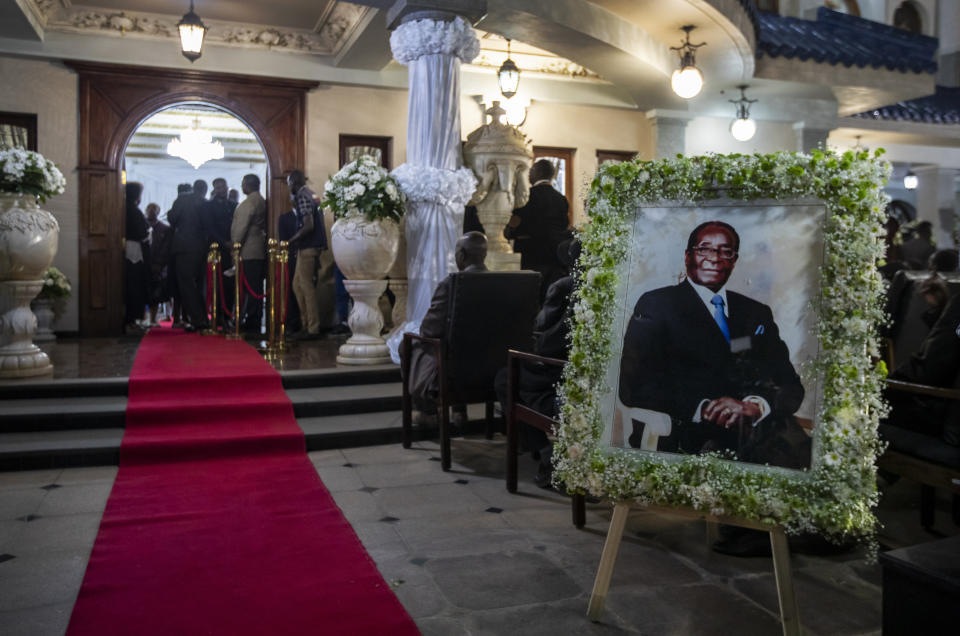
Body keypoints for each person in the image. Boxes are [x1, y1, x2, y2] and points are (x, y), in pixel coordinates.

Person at [617, 220, 806, 465]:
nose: (715, 258)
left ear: (734, 260)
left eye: (725, 251)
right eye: (704, 249)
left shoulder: (755, 313)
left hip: (760, 431)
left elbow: (790, 386)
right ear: (687, 256)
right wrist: (704, 408)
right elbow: (633, 385)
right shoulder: (658, 304)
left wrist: (757, 406)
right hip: (688, 433)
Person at [495, 239, 580, 487]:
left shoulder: (565, 288)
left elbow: (547, 343)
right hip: (576, 372)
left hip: (560, 374)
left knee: (507, 379)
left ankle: (546, 454)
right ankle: (542, 451)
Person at [404, 232, 488, 422]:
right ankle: (458, 410)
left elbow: (429, 330)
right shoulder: (501, 283)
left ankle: (428, 409)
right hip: (490, 371)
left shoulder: (451, 284)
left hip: (453, 371)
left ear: (461, 256)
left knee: (408, 345)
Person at [504, 159, 571, 303]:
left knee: (531, 298)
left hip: (531, 255)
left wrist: (509, 232)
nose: (529, 175)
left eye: (531, 171)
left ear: (537, 172)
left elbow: (516, 224)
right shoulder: (561, 199)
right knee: (550, 297)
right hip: (555, 256)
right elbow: (564, 225)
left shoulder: (527, 197)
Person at [286, 169, 328, 340]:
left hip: (308, 247)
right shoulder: (311, 194)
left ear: (294, 182)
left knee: (306, 287)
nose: (288, 186)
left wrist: (291, 240)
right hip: (308, 247)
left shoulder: (303, 196)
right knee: (297, 285)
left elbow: (308, 225)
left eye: (289, 182)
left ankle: (312, 328)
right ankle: (306, 324)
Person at [168, 181, 208, 332]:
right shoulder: (206, 202)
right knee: (200, 286)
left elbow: (172, 218)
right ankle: (203, 318)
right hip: (201, 249)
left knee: (186, 285)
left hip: (184, 248)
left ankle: (198, 320)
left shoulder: (183, 199)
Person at [231, 174, 267, 334]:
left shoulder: (250, 202)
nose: (241, 186)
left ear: (248, 185)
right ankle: (253, 318)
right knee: (254, 287)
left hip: (249, 250)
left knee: (251, 288)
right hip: (257, 249)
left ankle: (252, 320)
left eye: (243, 184)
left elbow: (241, 227)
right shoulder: (261, 200)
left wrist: (235, 245)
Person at [202, 178, 237, 325]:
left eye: (223, 187)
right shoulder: (208, 206)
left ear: (227, 188)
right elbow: (210, 227)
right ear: (214, 189)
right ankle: (216, 316)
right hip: (215, 249)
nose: (221, 190)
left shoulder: (234, 205)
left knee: (229, 284)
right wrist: (224, 242)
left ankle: (228, 315)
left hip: (231, 250)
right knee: (214, 283)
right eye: (218, 188)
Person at [124, 182, 149, 335]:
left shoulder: (124, 208)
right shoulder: (133, 211)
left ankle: (131, 320)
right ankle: (131, 320)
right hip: (133, 251)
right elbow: (142, 233)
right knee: (134, 286)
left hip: (129, 248)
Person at [144, 202, 171, 326]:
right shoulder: (142, 226)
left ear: (158, 212)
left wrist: (159, 263)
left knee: (156, 293)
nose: (151, 211)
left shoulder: (164, 229)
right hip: (143, 264)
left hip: (158, 266)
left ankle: (154, 319)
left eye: (154, 209)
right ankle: (144, 318)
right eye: (149, 209)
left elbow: (166, 248)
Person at [277, 207, 302, 334]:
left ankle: (305, 322)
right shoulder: (284, 218)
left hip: (305, 255)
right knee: (291, 290)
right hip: (291, 258)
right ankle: (292, 322)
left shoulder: (306, 215)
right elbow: (283, 240)